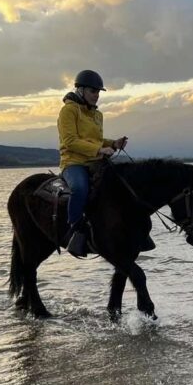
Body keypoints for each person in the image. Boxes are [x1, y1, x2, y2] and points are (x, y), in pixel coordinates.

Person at [58, 69, 129, 257]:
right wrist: (99, 150)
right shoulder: (68, 111)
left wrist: (113, 143)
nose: (96, 95)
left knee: (123, 184)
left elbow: (95, 139)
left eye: (98, 92)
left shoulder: (98, 115)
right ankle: (73, 230)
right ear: (80, 90)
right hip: (73, 163)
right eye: (93, 91)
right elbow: (70, 141)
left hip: (96, 162)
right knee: (80, 188)